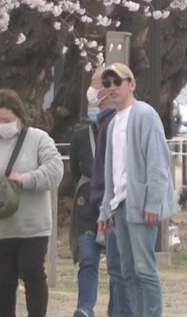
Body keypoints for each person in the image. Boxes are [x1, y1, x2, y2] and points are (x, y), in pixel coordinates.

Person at [0, 89, 63, 317]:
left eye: (7, 120)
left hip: (33, 225)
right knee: (3, 277)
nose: (2, 125)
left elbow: (55, 170)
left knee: (32, 272)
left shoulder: (38, 139)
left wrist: (26, 179)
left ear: (19, 117)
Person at [97, 63, 177, 317]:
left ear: (131, 84)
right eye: (107, 84)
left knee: (144, 268)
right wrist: (105, 210)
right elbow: (111, 171)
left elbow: (157, 161)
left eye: (117, 82)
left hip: (140, 203)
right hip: (119, 203)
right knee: (127, 270)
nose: (112, 88)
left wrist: (153, 202)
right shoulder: (112, 123)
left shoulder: (144, 114)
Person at [70, 67, 126, 317]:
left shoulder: (121, 124)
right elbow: (74, 170)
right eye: (93, 85)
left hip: (113, 201)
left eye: (99, 85)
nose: (93, 91)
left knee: (116, 262)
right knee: (88, 258)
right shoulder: (81, 134)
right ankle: (84, 308)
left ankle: (116, 310)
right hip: (88, 203)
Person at [87, 70, 130, 317]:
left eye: (98, 86)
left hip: (118, 205)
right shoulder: (105, 122)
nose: (93, 92)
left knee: (123, 270)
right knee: (116, 269)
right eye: (103, 83)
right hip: (108, 204)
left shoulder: (117, 121)